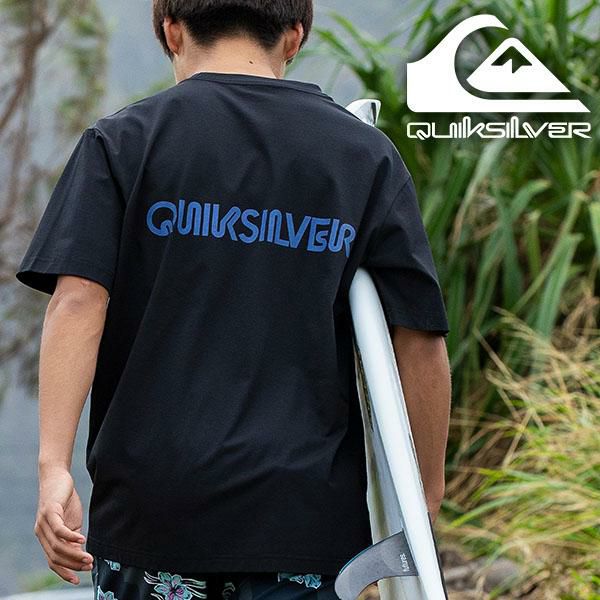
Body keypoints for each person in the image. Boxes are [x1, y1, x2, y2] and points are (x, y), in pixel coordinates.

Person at [15, 1, 452, 598]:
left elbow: (78, 302)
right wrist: (425, 495)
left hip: (154, 519)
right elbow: (419, 338)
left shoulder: (122, 142)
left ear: (172, 32)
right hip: (306, 524)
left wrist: (53, 467)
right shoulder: (364, 155)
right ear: (294, 38)